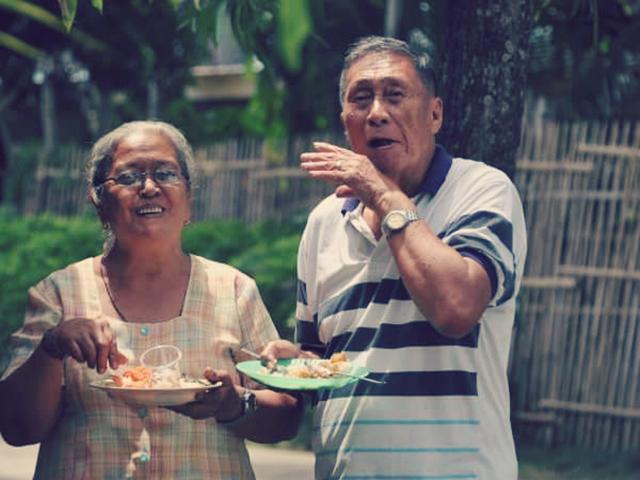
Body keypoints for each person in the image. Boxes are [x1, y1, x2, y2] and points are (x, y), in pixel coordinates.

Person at [261, 36, 527, 479]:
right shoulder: (324, 222)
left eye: (395, 95)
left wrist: (383, 194)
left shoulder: (480, 190)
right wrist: (290, 363)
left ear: (435, 114)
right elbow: (323, 360)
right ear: (347, 122)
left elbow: (456, 309)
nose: (377, 112)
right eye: (360, 98)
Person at [0, 121, 302, 479]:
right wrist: (52, 346)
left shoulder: (234, 290)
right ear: (99, 202)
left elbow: (285, 417)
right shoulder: (58, 293)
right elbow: (18, 429)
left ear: (189, 198)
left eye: (165, 173)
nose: (149, 188)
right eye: (128, 177)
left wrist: (234, 404)